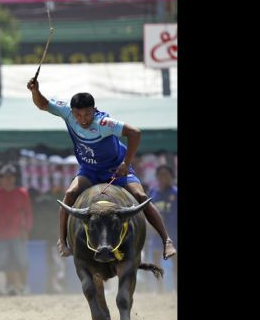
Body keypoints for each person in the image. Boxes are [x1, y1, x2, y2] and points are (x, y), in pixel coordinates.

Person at [26, 77, 177, 259]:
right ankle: (62, 242)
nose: (83, 119)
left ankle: (166, 241)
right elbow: (43, 105)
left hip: (116, 169)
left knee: (141, 196)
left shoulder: (104, 123)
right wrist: (35, 91)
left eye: (87, 114)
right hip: (90, 170)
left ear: (94, 110)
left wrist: (126, 164)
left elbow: (135, 133)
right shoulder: (67, 112)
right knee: (69, 195)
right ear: (72, 112)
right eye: (78, 115)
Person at [0, 165, 33, 295]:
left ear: (14, 178)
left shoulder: (21, 193)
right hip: (1, 233)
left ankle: (23, 285)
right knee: (5, 261)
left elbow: (28, 213)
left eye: (10, 177)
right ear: (1, 179)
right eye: (5, 177)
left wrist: (26, 229)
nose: (8, 180)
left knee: (21, 260)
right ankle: (10, 285)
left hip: (18, 232)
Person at [148, 164, 178, 291]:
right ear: (157, 177)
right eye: (161, 175)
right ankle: (159, 289)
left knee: (175, 263)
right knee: (156, 262)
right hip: (157, 234)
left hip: (174, 234)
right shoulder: (153, 192)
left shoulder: (175, 193)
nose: (163, 177)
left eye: (166, 175)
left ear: (172, 176)